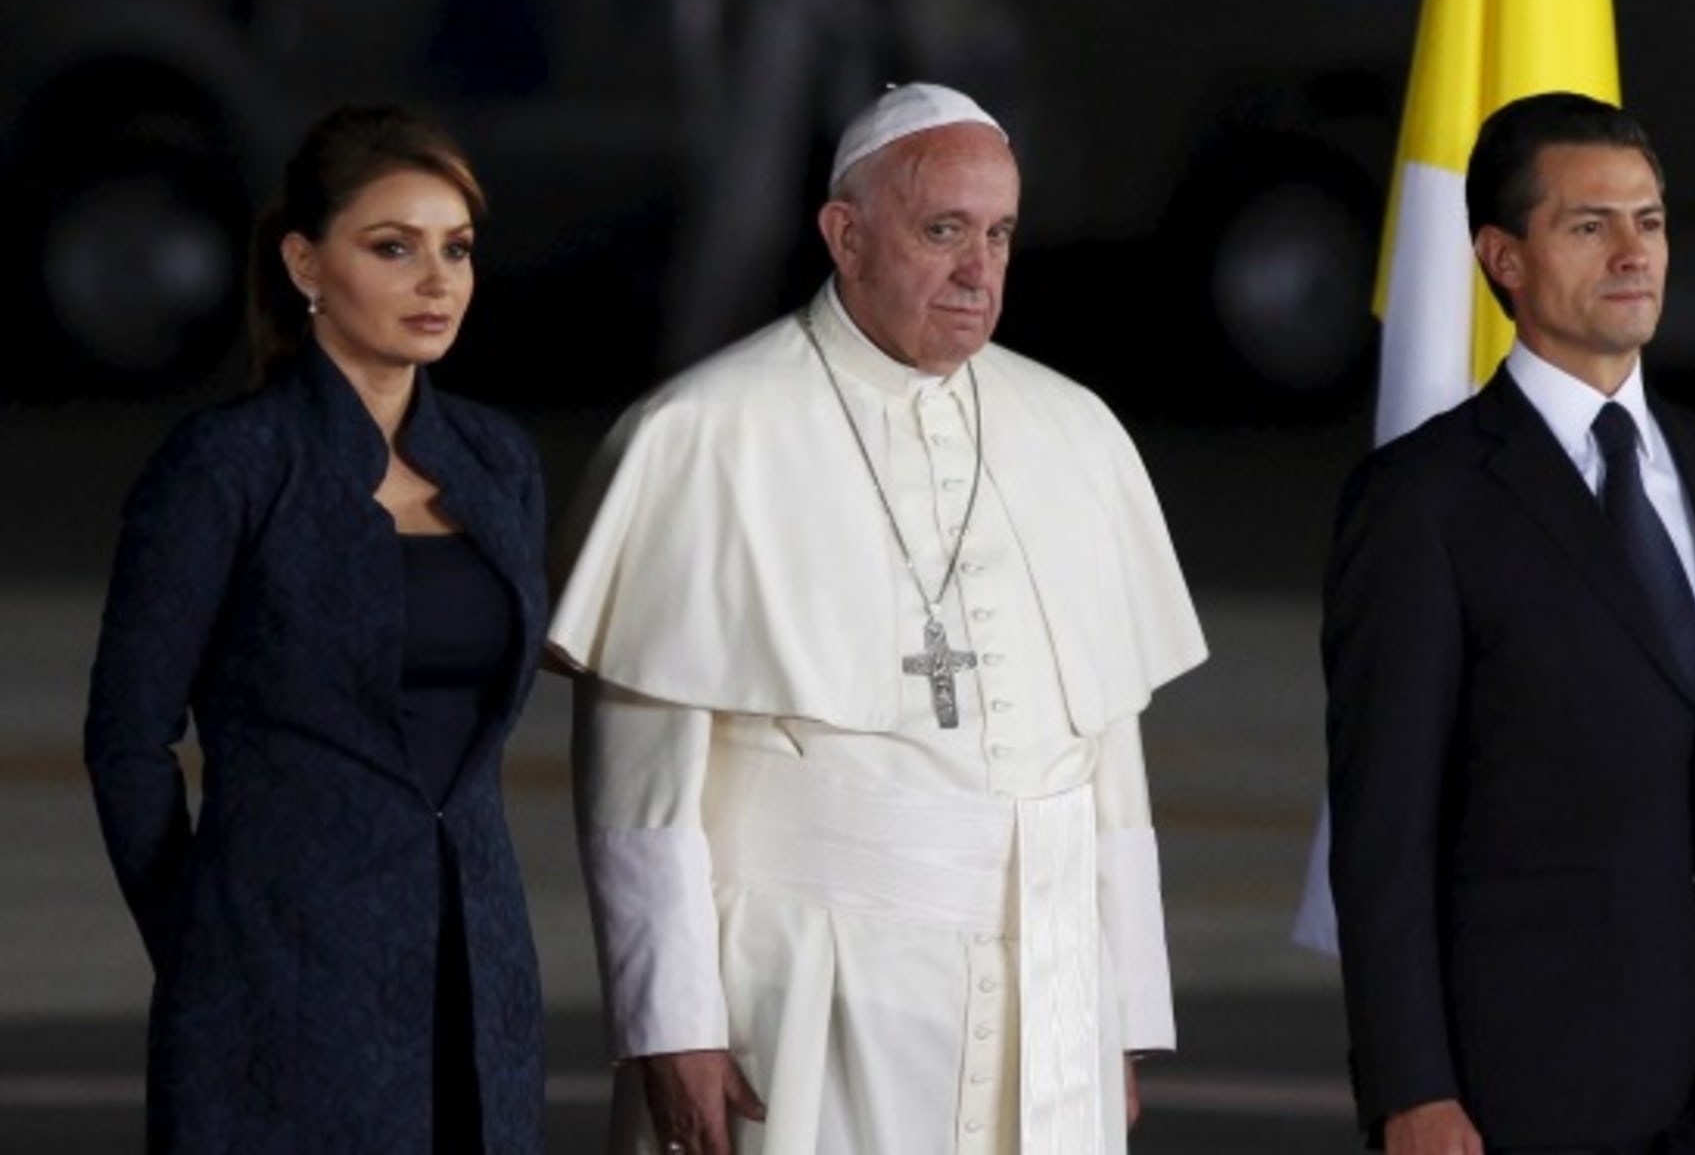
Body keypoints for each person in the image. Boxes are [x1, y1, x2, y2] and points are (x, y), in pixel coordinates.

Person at [548, 82, 1207, 1154]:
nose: (978, 269)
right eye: (943, 230)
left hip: (1048, 984)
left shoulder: (1078, 432)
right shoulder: (703, 434)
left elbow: (1108, 755)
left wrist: (1122, 1007)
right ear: (845, 237)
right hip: (805, 983)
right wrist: (671, 1023)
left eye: (999, 234)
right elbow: (640, 781)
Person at [1324, 91, 1695, 1155]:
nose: (1632, 253)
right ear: (1503, 258)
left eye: (1649, 221)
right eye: (1590, 225)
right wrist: (1411, 1086)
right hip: (1529, 1087)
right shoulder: (1422, 500)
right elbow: (1383, 832)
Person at [84, 105, 549, 1153]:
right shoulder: (227, 466)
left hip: (478, 984)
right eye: (394, 247)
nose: (437, 281)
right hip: (276, 993)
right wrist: (205, 946)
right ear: (305, 263)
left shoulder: (498, 463)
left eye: (456, 249)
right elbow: (126, 739)